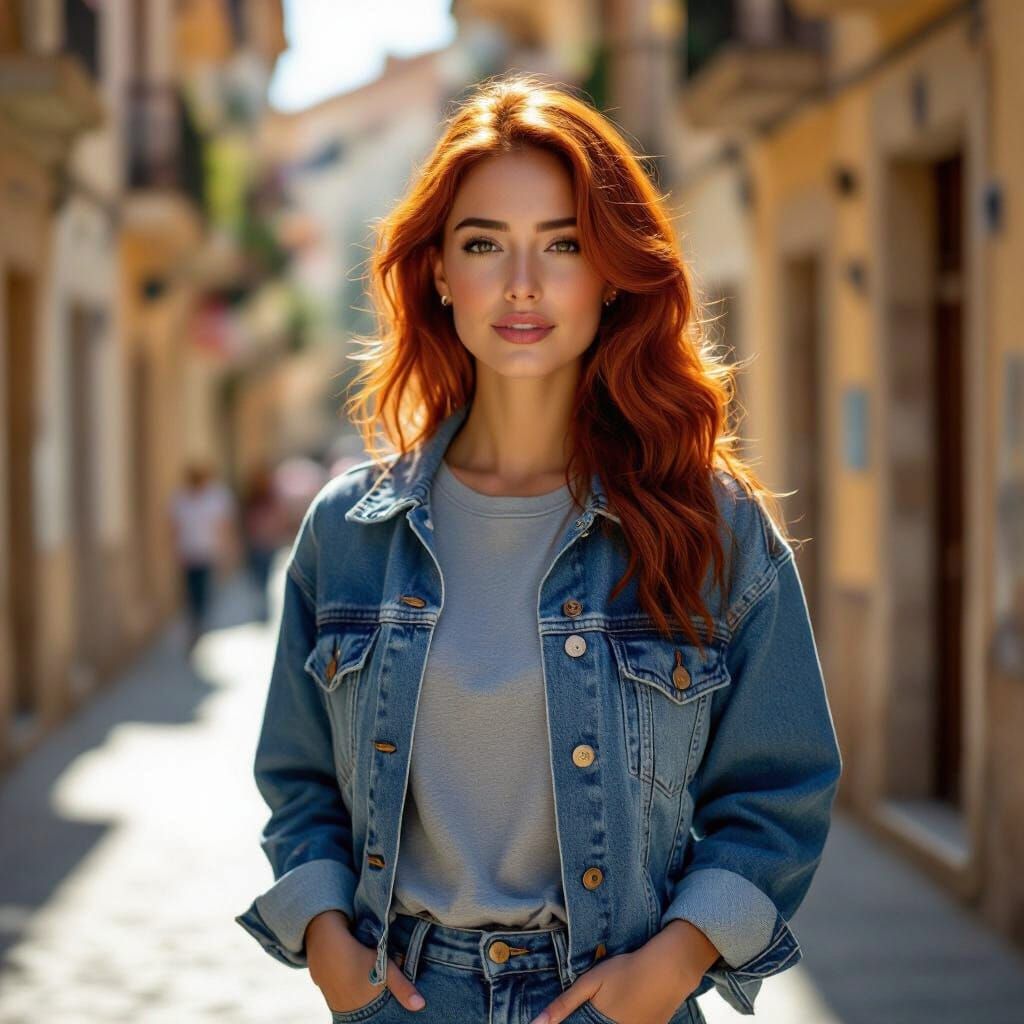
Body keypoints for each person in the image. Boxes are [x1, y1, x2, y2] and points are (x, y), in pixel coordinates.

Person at [235, 74, 843, 1024]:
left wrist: (673, 965)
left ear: (612, 271)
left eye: (563, 244)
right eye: (486, 244)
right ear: (438, 271)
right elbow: (299, 778)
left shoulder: (712, 528)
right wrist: (324, 940)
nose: (523, 283)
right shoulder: (348, 535)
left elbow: (781, 783)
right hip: (405, 999)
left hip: (616, 998)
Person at [169, 462, 236, 649]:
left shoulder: (214, 498)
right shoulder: (181, 499)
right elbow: (175, 528)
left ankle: (200, 624)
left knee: (204, 591)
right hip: (189, 553)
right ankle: (196, 623)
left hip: (206, 552)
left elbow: (223, 526)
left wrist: (225, 551)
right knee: (192, 592)